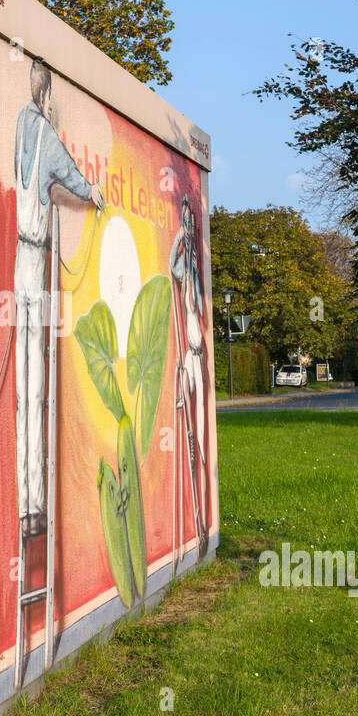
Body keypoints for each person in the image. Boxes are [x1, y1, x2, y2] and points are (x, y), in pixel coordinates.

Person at [13, 59, 104, 538]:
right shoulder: (44, 134)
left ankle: (29, 506)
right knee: (35, 386)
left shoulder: (20, 130)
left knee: (27, 392)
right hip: (34, 259)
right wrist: (94, 193)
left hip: (19, 258)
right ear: (46, 93)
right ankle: (35, 507)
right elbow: (70, 173)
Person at [169, 197, 209, 556]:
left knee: (197, 420)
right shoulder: (185, 267)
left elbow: (195, 294)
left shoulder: (194, 274)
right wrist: (180, 237)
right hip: (188, 355)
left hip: (198, 355)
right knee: (189, 424)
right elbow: (171, 265)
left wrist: (191, 245)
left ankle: (202, 521)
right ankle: (190, 445)